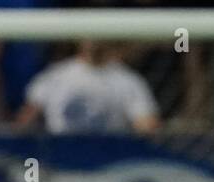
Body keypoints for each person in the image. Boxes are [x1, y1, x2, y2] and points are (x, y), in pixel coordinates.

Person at [16, 40, 159, 134]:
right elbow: (25, 122)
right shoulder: (55, 76)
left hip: (108, 159)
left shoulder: (128, 80)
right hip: (60, 158)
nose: (94, 42)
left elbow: (147, 127)